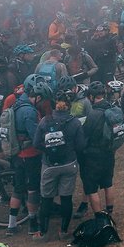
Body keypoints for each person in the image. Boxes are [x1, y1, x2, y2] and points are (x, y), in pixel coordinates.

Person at [35, 87, 85, 239]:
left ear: (55, 104)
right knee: (66, 198)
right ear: (69, 105)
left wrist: (48, 150)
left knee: (46, 199)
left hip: (49, 165)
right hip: (69, 164)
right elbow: (81, 145)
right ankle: (63, 231)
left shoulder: (45, 121)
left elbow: (36, 143)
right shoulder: (75, 122)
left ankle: (42, 232)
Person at [79, 81, 119, 218]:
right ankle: (110, 211)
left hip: (93, 156)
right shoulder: (112, 109)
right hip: (109, 152)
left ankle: (100, 217)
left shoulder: (93, 114)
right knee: (108, 183)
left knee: (91, 188)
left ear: (91, 97)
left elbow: (84, 136)